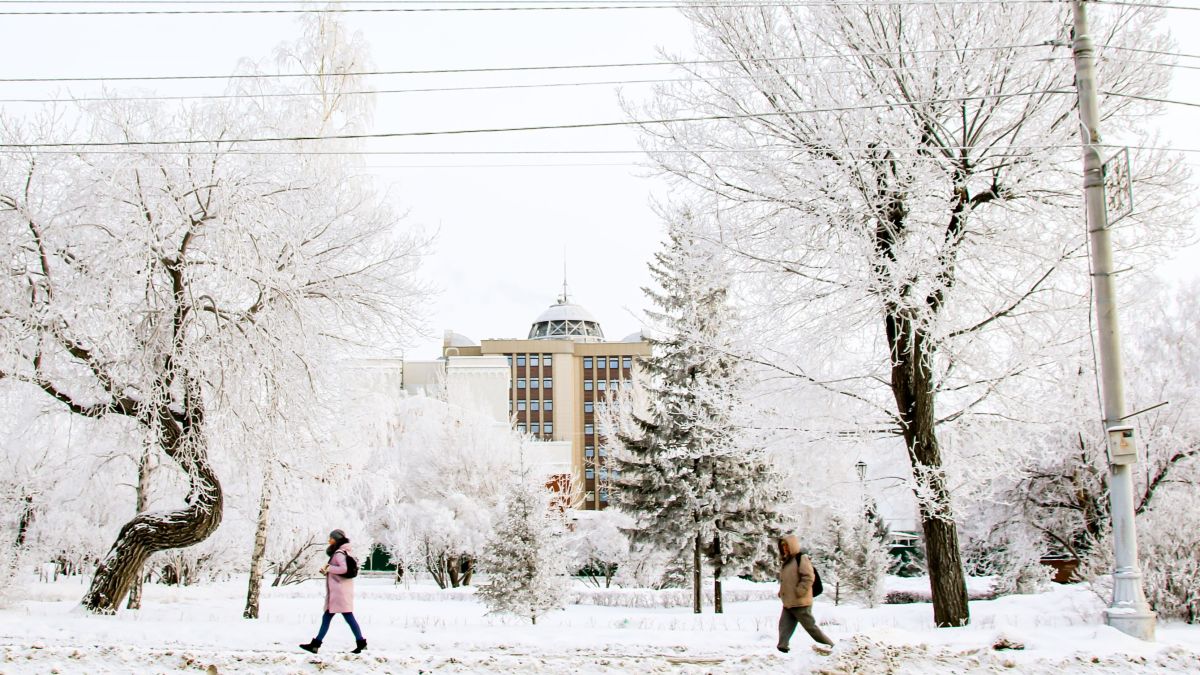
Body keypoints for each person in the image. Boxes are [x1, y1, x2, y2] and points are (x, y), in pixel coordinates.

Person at [300, 529, 367, 654]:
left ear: (336, 540)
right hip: (339, 592)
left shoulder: (339, 554)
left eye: (331, 538)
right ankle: (316, 645)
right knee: (331, 617)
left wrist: (329, 568)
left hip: (339, 593)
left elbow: (343, 568)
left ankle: (361, 643)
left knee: (347, 617)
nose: (329, 540)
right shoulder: (342, 553)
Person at [776, 534, 834, 655]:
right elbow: (788, 580)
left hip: (800, 601)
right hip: (789, 601)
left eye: (786, 546)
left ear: (792, 546)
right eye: (782, 546)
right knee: (784, 625)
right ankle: (782, 648)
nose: (785, 549)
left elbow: (808, 577)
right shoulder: (786, 561)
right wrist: (782, 592)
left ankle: (831, 646)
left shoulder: (801, 558)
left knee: (810, 627)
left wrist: (800, 591)